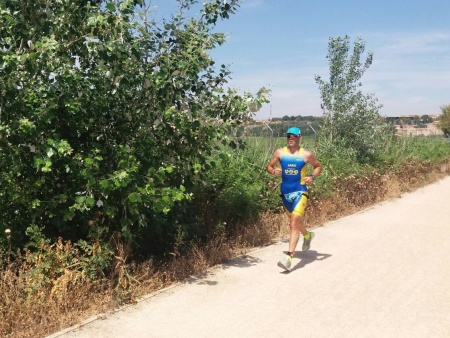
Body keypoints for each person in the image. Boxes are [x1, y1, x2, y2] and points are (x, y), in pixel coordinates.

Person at [267, 127, 322, 271]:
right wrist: (273, 171)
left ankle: (289, 258)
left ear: (299, 137)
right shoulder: (280, 152)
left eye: (293, 136)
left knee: (293, 223)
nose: (290, 138)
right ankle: (308, 235)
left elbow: (318, 167)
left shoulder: (307, 154)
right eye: (288, 136)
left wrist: (312, 177)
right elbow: (269, 166)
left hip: (300, 192)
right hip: (285, 193)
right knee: (295, 222)